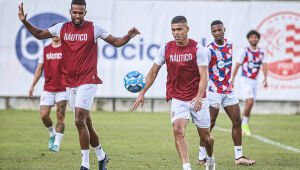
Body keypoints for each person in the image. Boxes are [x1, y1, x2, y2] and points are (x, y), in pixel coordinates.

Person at [18, 0, 140, 169]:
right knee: (86, 123)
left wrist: (128, 36)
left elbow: (116, 42)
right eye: (74, 12)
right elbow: (39, 34)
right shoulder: (61, 28)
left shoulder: (94, 28)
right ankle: (102, 156)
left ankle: (85, 165)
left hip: (88, 80)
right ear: (70, 12)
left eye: (80, 13)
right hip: (70, 83)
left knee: (78, 120)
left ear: (85, 12)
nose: (77, 15)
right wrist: (25, 21)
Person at [132, 16, 215, 170]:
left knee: (205, 138)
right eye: (173, 30)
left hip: (198, 99)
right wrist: (142, 92)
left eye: (179, 29)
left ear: (187, 29)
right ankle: (186, 166)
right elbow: (153, 72)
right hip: (178, 98)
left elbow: (204, 75)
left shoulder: (198, 49)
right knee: (178, 131)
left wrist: (198, 96)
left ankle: (210, 158)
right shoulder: (165, 48)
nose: (175, 33)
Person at [197, 20, 256, 166]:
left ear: (224, 29)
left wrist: (231, 81)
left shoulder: (230, 45)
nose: (217, 33)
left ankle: (239, 157)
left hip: (228, 91)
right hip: (214, 91)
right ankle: (201, 157)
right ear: (212, 33)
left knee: (237, 121)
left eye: (219, 30)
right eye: (214, 31)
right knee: (209, 123)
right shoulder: (208, 49)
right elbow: (203, 71)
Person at [29, 33, 67, 152]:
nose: (56, 35)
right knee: (44, 115)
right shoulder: (45, 50)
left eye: (58, 33)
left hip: (63, 89)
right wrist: (32, 86)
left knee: (60, 116)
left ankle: (57, 144)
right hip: (48, 88)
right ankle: (52, 134)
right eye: (53, 33)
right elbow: (39, 69)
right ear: (50, 35)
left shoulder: (66, 49)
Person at [232, 30, 268, 136]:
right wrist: (232, 79)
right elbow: (237, 65)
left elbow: (265, 65)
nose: (253, 39)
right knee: (250, 101)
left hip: (254, 81)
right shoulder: (245, 51)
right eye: (251, 37)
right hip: (245, 80)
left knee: (250, 103)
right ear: (248, 39)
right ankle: (244, 124)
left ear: (258, 39)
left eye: (255, 37)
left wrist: (265, 78)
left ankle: (244, 123)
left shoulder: (262, 52)